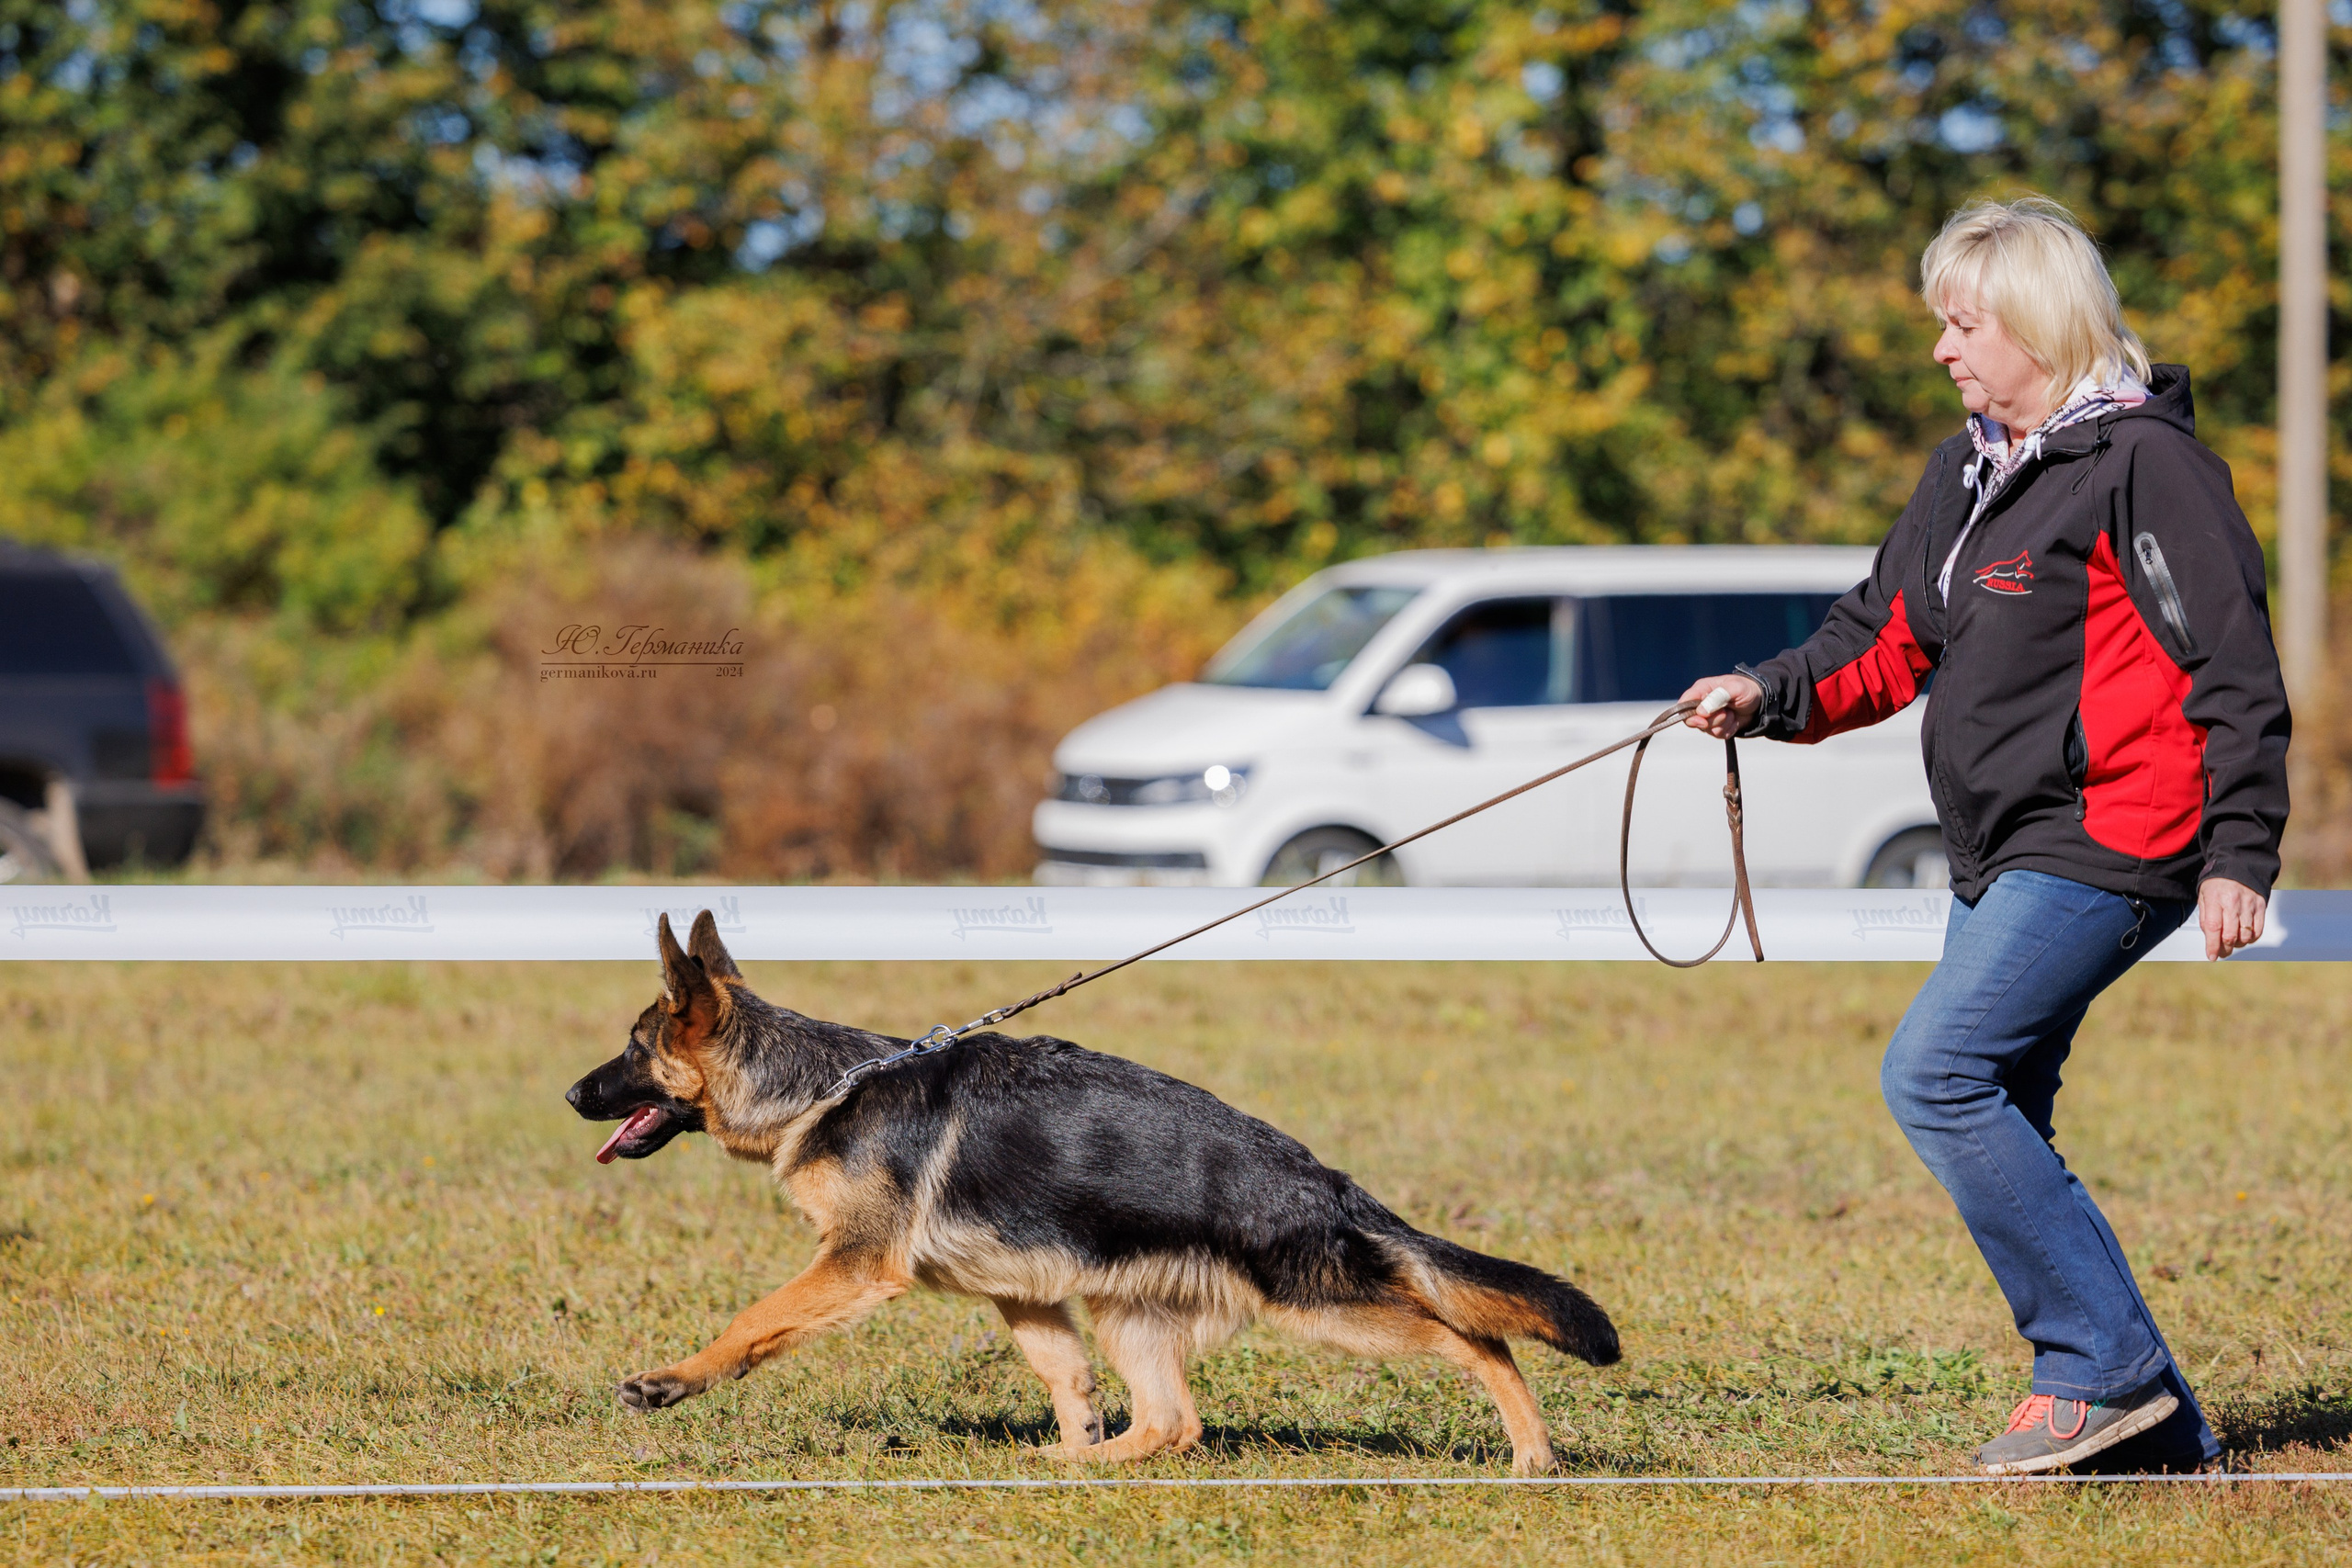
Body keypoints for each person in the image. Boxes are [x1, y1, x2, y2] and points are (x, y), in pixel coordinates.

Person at [1681, 196, 2290, 1475]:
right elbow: (1885, 637)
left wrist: (2241, 848)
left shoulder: (2145, 466)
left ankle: (2096, 1370)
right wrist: (1765, 694)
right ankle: (2158, 1427)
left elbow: (2230, 664)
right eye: (1941, 325)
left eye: (1963, 324)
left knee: (1938, 1073)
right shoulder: (1969, 470)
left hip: (2118, 835)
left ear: (2037, 322)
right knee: (1997, 1092)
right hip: (2001, 846)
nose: (1945, 350)